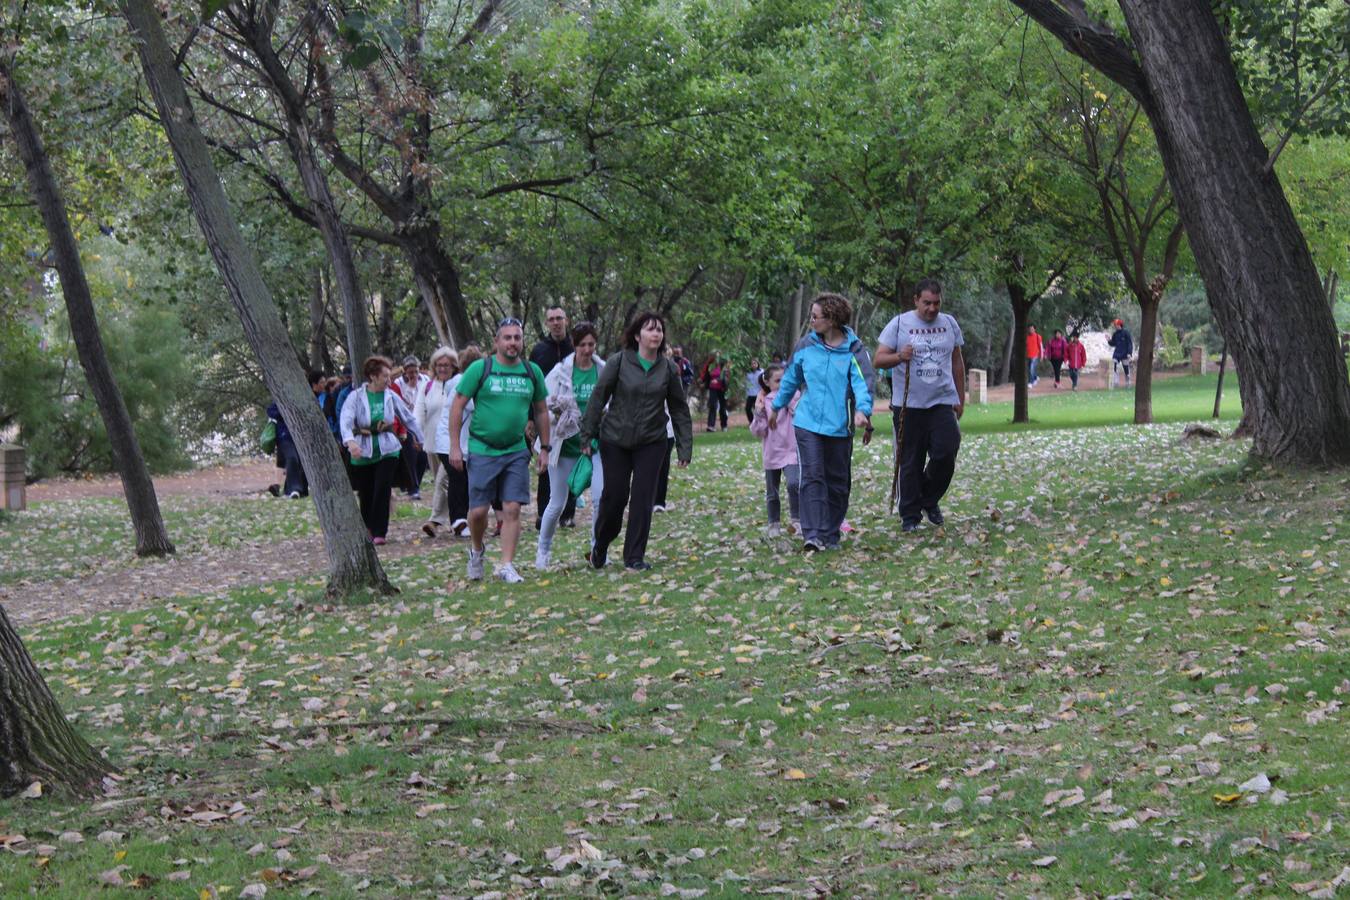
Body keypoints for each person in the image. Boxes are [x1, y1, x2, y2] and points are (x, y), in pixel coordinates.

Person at [579, 311, 693, 571]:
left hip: (652, 441)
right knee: (614, 498)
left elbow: (678, 408)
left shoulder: (667, 368)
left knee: (643, 499)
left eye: (659, 330)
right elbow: (598, 398)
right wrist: (587, 435)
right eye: (650, 329)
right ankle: (601, 544)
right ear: (637, 335)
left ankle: (634, 557)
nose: (656, 334)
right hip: (615, 440)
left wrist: (684, 446)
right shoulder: (619, 361)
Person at [448, 318, 549, 584]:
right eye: (507, 337)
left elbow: (541, 410)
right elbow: (457, 405)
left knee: (513, 507)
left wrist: (545, 448)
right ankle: (477, 550)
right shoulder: (481, 369)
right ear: (496, 342)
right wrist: (455, 446)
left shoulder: (531, 371)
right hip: (482, 449)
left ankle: (506, 564)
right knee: (479, 511)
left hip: (516, 449)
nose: (513, 342)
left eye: (517, 337)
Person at [770, 293, 872, 552]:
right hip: (808, 423)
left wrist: (862, 411)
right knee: (813, 476)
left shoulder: (854, 349)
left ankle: (830, 533)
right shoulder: (806, 345)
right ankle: (813, 535)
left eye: (816, 317)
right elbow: (791, 378)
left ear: (833, 319)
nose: (811, 321)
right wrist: (776, 406)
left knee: (838, 481)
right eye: (811, 316)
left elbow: (863, 383)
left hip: (840, 426)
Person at [874, 278, 965, 533]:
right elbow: (878, 360)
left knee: (947, 451)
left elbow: (957, 361)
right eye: (927, 303)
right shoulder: (900, 323)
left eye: (937, 303)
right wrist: (899, 357)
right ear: (916, 300)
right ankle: (910, 516)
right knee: (910, 461)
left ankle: (928, 498)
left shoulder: (949, 323)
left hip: (941, 401)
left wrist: (960, 396)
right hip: (908, 406)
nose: (932, 309)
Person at [535, 323, 605, 570]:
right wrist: (560, 409)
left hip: (594, 446)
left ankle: (598, 549)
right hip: (565, 445)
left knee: (599, 497)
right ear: (574, 346)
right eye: (582, 345)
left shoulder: (602, 370)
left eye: (591, 344)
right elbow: (543, 402)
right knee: (557, 503)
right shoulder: (560, 372)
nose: (587, 349)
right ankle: (543, 549)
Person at [340, 356, 423, 545]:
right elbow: (345, 420)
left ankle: (380, 531)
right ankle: (367, 527)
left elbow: (407, 418)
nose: (389, 380)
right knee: (366, 491)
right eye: (385, 376)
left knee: (382, 490)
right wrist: (350, 441)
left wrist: (420, 437)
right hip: (363, 449)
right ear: (373, 376)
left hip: (388, 449)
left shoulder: (390, 395)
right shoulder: (356, 396)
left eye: (389, 376)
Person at [529, 305, 575, 531]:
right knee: (546, 464)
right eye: (552, 319)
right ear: (547, 323)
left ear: (566, 320)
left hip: (573, 415)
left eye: (559, 318)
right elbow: (532, 386)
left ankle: (568, 513)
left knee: (571, 463)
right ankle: (543, 512)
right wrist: (531, 419)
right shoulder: (539, 350)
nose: (556, 323)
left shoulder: (575, 347)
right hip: (545, 415)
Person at [435, 346, 481, 537]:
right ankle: (458, 521)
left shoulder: (461, 380)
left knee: (464, 479)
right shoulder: (463, 382)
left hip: (459, 441)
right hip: (448, 442)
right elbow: (472, 405)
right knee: (457, 478)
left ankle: (463, 518)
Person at [750, 363, 799, 537]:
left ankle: (797, 521)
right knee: (772, 491)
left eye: (784, 380)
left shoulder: (795, 396)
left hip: (792, 451)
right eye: (777, 381)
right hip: (772, 452)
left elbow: (800, 415)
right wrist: (758, 412)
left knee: (794, 484)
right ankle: (773, 523)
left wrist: (789, 403)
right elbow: (759, 431)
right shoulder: (764, 401)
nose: (781, 384)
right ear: (768, 383)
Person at [417, 347, 458, 538]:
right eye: (439, 365)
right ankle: (456, 518)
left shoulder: (459, 384)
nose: (443, 368)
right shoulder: (427, 386)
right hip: (431, 443)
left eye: (446, 365)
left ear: (453, 366)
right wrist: (417, 435)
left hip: (451, 443)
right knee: (440, 483)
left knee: (443, 480)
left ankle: (434, 520)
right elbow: (419, 411)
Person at [266, 369, 327, 499]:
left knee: (302, 461)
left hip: (303, 436)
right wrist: (287, 413)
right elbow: (271, 411)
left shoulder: (309, 396)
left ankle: (299, 490)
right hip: (285, 435)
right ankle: (294, 489)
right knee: (292, 458)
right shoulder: (283, 395)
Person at [393, 355, 431, 499]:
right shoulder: (398, 384)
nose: (413, 375)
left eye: (415, 371)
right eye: (410, 372)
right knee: (410, 455)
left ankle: (414, 484)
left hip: (422, 422)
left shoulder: (425, 381)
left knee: (423, 456)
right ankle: (413, 488)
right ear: (405, 371)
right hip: (406, 424)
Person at [700, 353, 730, 431]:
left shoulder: (724, 365)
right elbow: (705, 375)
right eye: (715, 356)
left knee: (722, 407)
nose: (717, 358)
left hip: (722, 388)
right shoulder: (710, 365)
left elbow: (726, 376)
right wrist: (703, 382)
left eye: (718, 356)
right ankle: (710, 426)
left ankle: (724, 425)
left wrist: (718, 380)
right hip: (712, 388)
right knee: (713, 406)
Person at [1109, 318, 1134, 386]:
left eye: (1116, 324)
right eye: (1115, 325)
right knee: (1114, 363)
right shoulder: (1115, 334)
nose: (1115, 326)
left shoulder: (1126, 333)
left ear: (1120, 325)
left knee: (1126, 367)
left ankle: (1128, 381)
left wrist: (1129, 353)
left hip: (1125, 353)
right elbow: (1113, 343)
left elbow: (1129, 343)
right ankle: (1116, 382)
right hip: (1117, 353)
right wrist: (1109, 340)